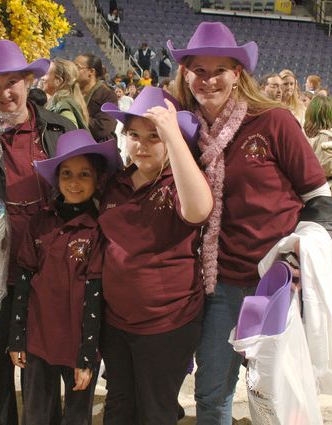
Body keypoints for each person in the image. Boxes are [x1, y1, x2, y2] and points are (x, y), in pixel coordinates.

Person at [168, 21, 328, 424]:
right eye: (198, 71)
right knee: (212, 393)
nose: (207, 80)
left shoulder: (274, 122)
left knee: (276, 396)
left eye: (218, 70)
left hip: (274, 286)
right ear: (186, 74)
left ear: (237, 73)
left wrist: (302, 262)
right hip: (217, 284)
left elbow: (319, 200)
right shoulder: (185, 130)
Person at [0, 39, 76, 425]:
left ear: (28, 81)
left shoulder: (61, 128)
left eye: (12, 82)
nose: (4, 93)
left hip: (48, 276)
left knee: (42, 376)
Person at [98, 86, 212, 424]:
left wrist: (174, 136)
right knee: (119, 406)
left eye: (154, 136)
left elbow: (199, 210)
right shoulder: (116, 182)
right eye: (134, 134)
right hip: (117, 321)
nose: (141, 144)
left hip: (167, 322)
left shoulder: (179, 182)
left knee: (155, 412)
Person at [9, 129, 119, 425]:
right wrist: (17, 338)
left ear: (97, 180)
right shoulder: (40, 224)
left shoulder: (99, 230)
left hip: (77, 345)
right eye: (67, 173)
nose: (74, 182)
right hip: (37, 341)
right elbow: (23, 282)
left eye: (84, 174)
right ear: (56, 179)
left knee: (76, 417)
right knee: (36, 414)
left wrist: (86, 356)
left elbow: (95, 296)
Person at [74, 54, 118, 142]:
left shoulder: (107, 95)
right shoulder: (70, 92)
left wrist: (74, 119)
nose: (73, 71)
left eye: (77, 67)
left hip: (96, 148)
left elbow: (102, 128)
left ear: (91, 72)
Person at [42, 58, 90, 130]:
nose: (42, 78)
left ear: (58, 81)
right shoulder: (60, 103)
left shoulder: (63, 107)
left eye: (46, 74)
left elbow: (71, 134)